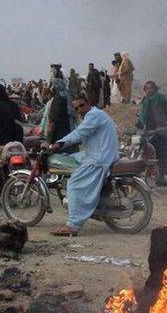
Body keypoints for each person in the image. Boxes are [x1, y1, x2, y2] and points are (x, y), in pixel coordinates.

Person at [46, 93, 119, 236]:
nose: (80, 109)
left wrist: (58, 144)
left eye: (82, 105)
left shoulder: (93, 115)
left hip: (99, 157)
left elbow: (79, 133)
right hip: (96, 153)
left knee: (73, 184)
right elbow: (83, 135)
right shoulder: (95, 115)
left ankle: (73, 225)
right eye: (76, 108)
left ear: (88, 103)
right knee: (69, 158)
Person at [137, 81, 167, 186]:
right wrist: (138, 126)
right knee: (148, 153)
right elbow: (142, 116)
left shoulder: (160, 99)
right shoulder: (145, 100)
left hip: (160, 130)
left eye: (151, 88)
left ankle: (161, 176)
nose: (149, 90)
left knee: (161, 153)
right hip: (148, 130)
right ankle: (150, 176)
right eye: (147, 88)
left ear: (155, 88)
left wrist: (164, 126)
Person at [44, 78, 77, 154]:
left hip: (60, 138)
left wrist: (48, 141)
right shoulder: (69, 95)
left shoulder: (58, 99)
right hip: (71, 136)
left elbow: (52, 121)